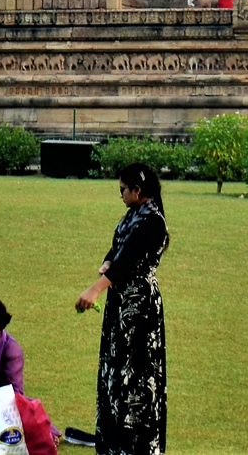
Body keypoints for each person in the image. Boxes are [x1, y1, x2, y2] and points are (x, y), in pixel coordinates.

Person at [76, 162, 168, 455]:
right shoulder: (133, 215)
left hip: (139, 308)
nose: (121, 195)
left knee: (137, 375)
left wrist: (95, 288)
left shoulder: (153, 221)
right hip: (120, 305)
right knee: (115, 371)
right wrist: (107, 262)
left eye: (123, 190)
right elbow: (119, 251)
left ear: (137, 190)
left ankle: (136, 446)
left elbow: (129, 262)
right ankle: (113, 443)